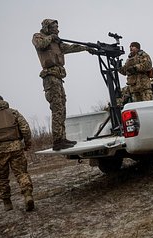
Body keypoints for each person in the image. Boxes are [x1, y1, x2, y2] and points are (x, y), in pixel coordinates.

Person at [32, 19, 93, 151]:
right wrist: (51, 37)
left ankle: (62, 138)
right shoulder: (38, 36)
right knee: (57, 108)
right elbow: (40, 45)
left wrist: (86, 48)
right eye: (54, 28)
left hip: (58, 78)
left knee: (62, 108)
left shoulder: (55, 42)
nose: (57, 30)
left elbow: (69, 48)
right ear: (47, 28)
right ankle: (57, 141)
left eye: (57, 28)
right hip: (50, 78)